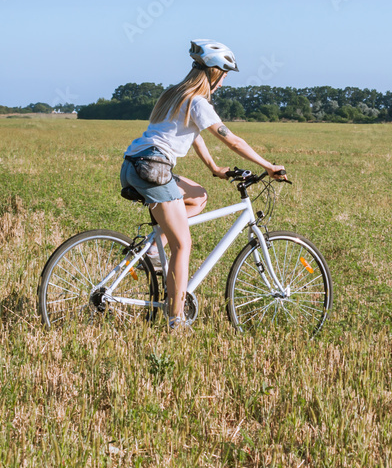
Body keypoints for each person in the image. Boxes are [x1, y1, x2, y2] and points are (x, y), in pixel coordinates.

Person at [120, 40, 287, 330]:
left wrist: (213, 167)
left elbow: (192, 133)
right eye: (224, 75)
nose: (223, 83)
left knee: (197, 196)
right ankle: (175, 319)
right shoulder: (198, 101)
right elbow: (231, 139)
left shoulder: (175, 95)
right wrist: (269, 166)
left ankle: (152, 251)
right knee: (182, 245)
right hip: (154, 168)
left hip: (135, 163)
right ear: (213, 72)